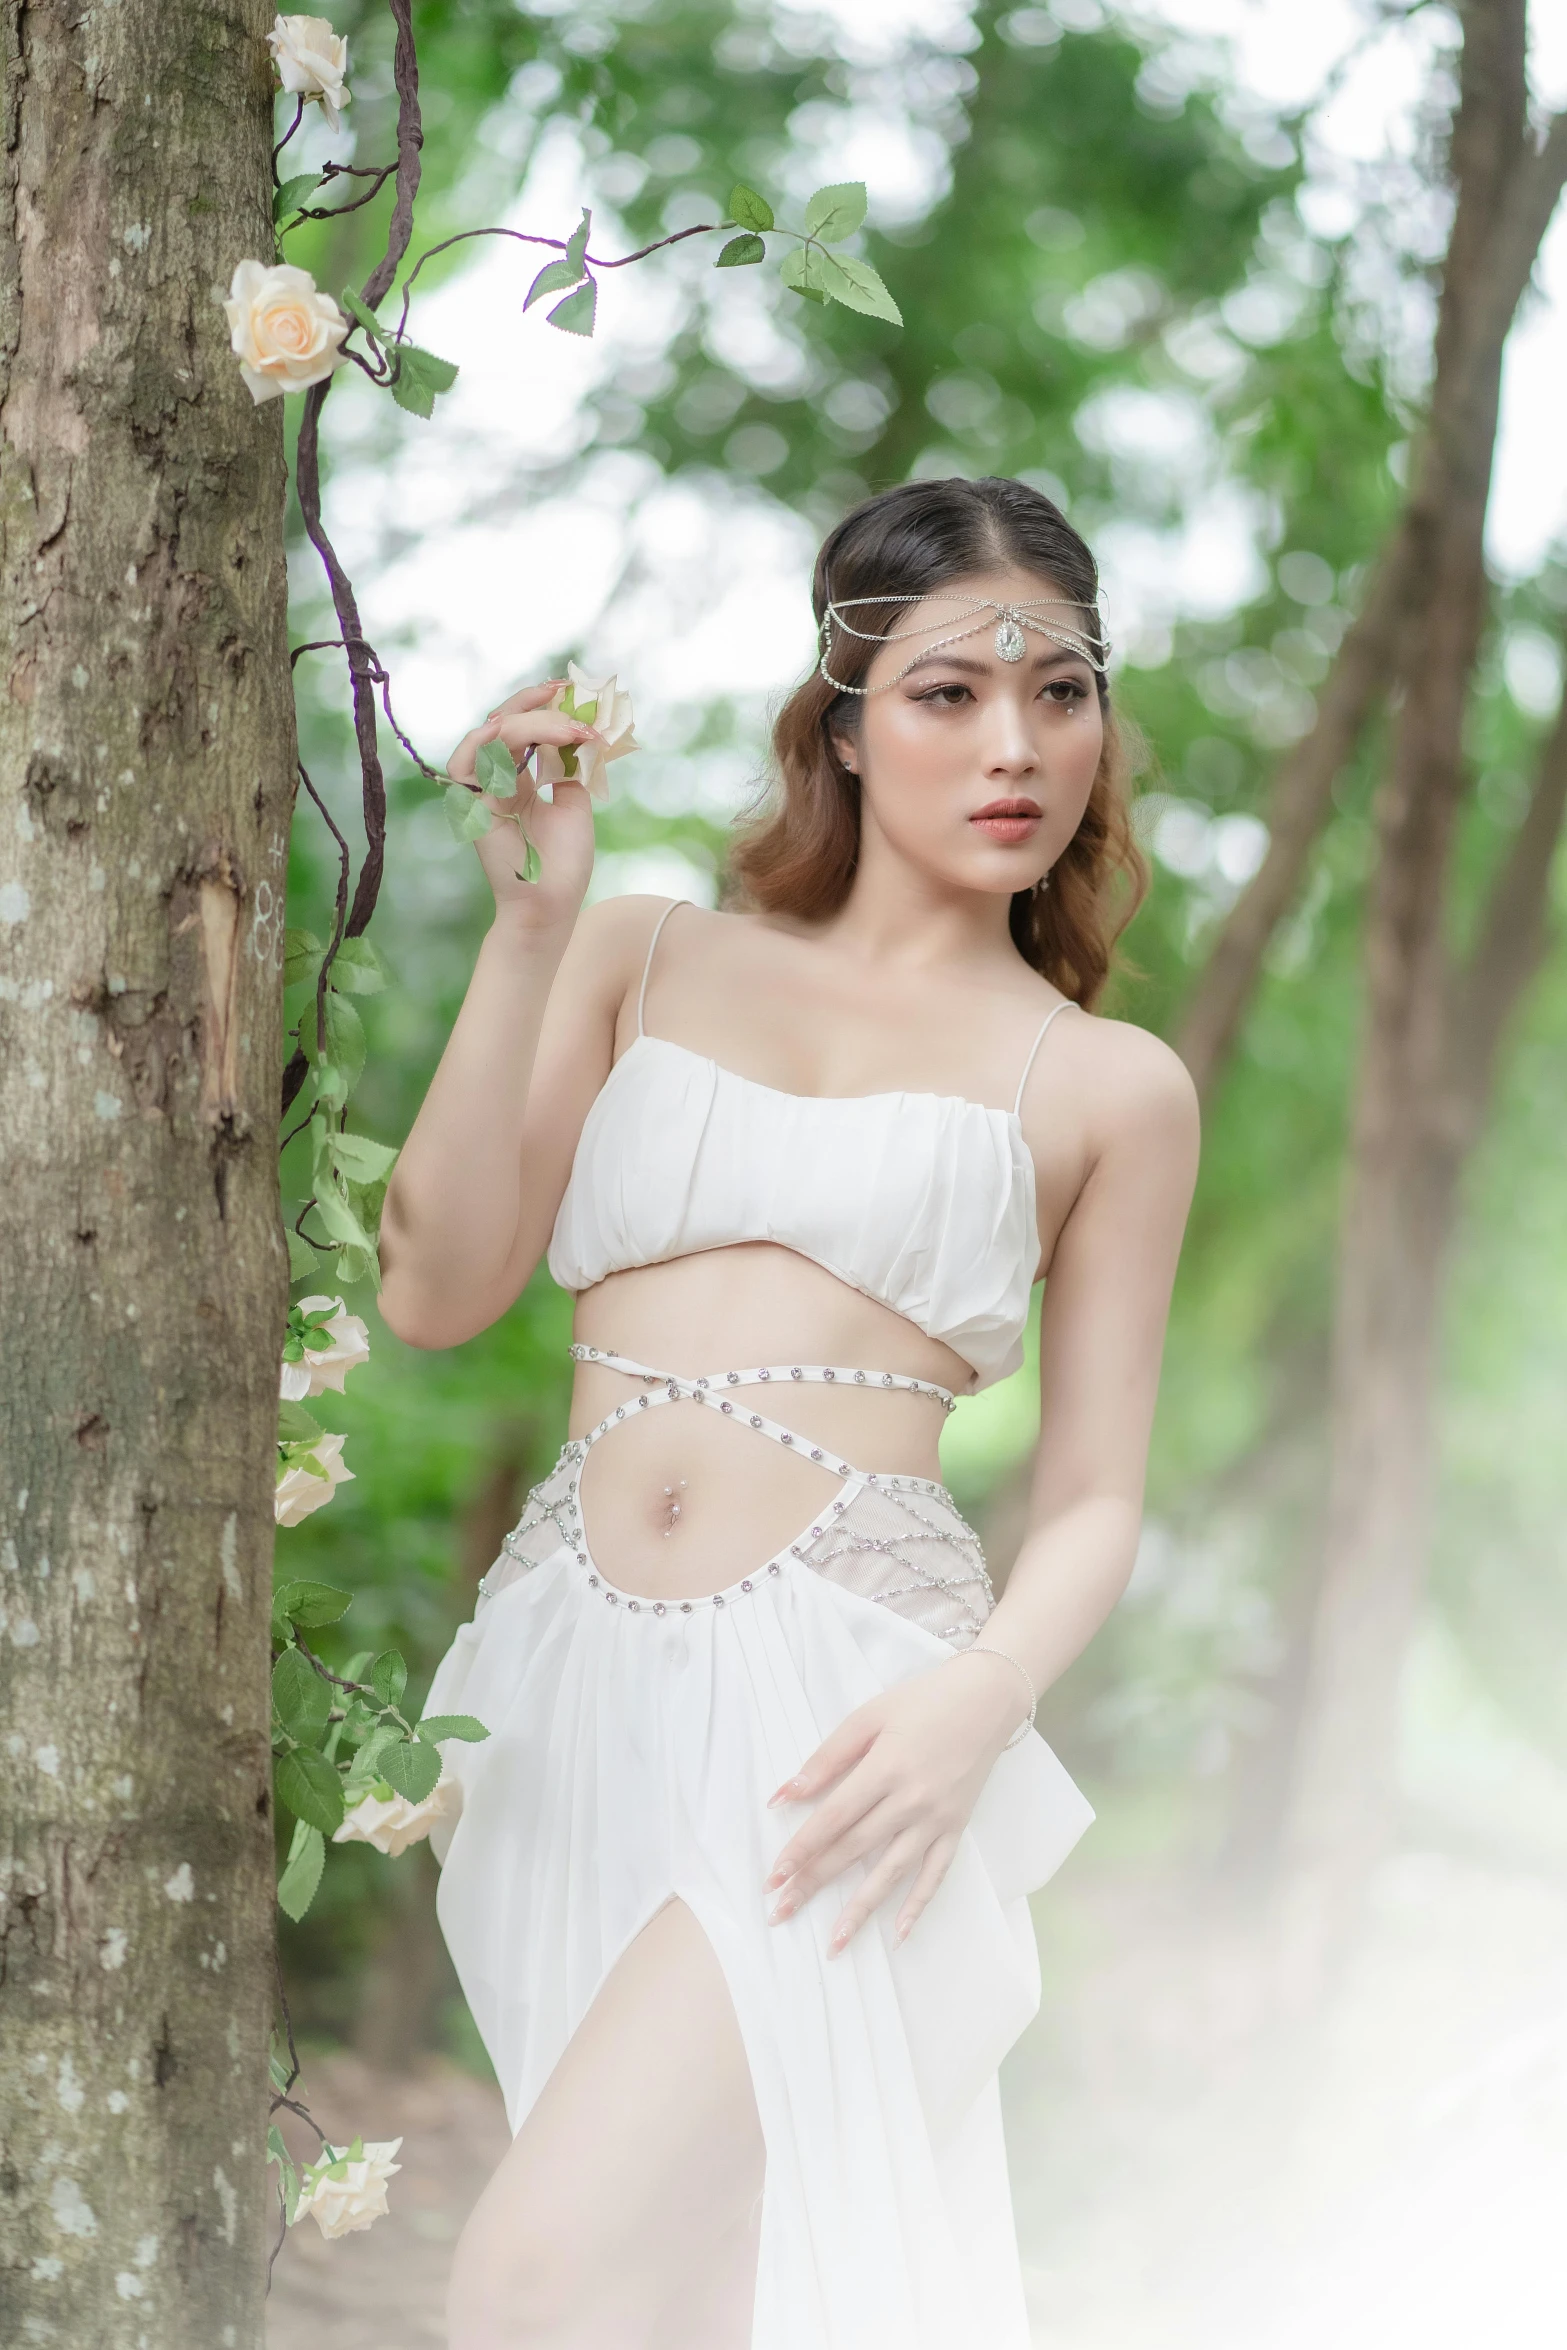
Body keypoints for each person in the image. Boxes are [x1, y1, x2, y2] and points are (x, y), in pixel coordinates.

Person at [377, 474, 1199, 2350]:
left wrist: (979, 1702)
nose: (1016, 744)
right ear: (838, 720)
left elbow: (1089, 1496)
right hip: (567, 1680)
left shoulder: (1106, 1085)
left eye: (1058, 691)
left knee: (532, 2277)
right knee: (673, 2301)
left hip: (851, 1728)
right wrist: (525, 938)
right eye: (947, 693)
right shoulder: (638, 952)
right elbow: (431, 1292)